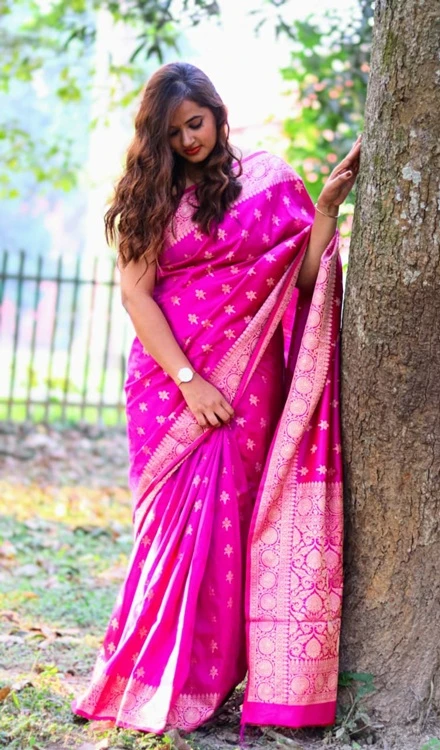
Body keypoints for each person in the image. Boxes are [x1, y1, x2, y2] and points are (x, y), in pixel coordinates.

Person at [72, 61, 361, 735]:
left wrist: (324, 212)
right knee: (171, 539)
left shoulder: (268, 181)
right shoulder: (149, 197)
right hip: (171, 385)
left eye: (195, 124)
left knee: (228, 527)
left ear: (218, 112)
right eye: (174, 133)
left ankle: (205, 680)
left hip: (248, 381)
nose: (189, 141)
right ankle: (154, 679)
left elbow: (303, 279)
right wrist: (189, 381)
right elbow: (136, 296)